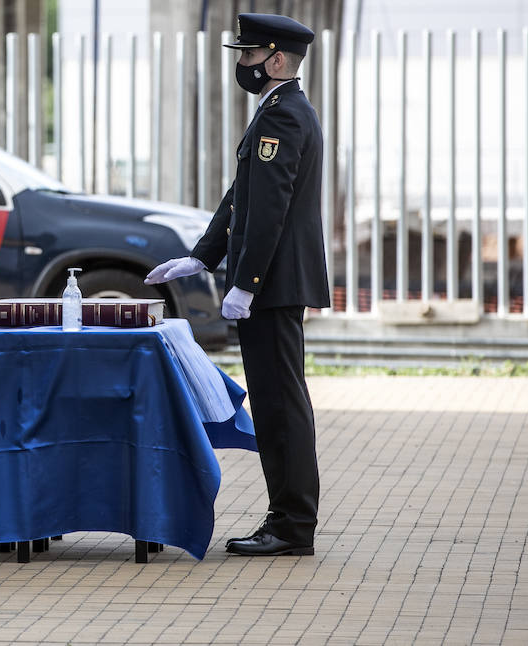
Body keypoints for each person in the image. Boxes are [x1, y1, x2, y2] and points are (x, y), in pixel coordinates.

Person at [145, 13, 328, 557]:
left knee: (280, 405)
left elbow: (270, 209)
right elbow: (240, 197)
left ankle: (292, 524)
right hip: (271, 284)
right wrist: (200, 258)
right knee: (277, 402)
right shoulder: (276, 111)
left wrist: (246, 283)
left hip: (273, 285)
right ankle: (288, 519)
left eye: (248, 55)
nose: (241, 64)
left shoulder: (285, 116)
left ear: (275, 59)